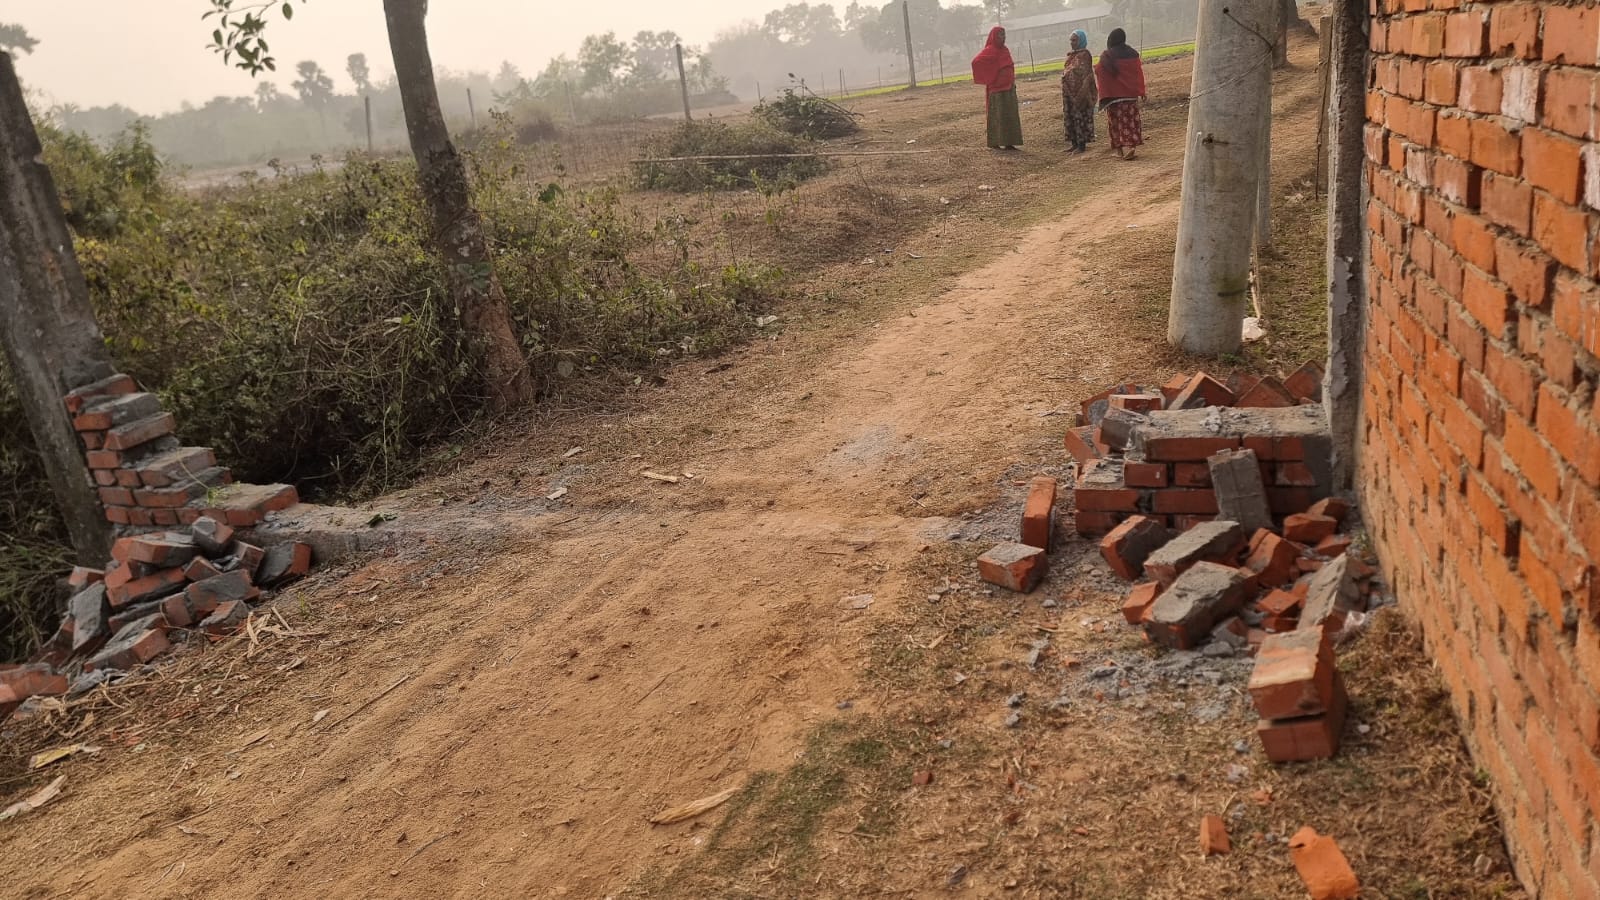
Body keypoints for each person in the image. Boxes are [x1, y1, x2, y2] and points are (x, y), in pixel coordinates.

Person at [1095, 27, 1147, 160]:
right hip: (1130, 96)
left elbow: (1099, 70)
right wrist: (1141, 91)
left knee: (1115, 124)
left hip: (1114, 97)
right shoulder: (1133, 53)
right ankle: (1131, 147)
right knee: (1129, 122)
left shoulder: (1107, 55)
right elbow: (1137, 73)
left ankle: (1119, 151)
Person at [972, 26, 1022, 151]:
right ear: (994, 37)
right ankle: (995, 143)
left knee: (1009, 116)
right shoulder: (990, 50)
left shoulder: (1005, 50)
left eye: (1004, 35)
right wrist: (992, 75)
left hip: (1009, 88)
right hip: (997, 91)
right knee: (998, 117)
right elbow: (976, 62)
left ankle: (1009, 142)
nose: (1003, 38)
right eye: (1000, 35)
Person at [1060, 29, 1097, 153]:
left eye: (1074, 40)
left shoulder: (1085, 55)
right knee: (1070, 117)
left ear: (1081, 41)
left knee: (1079, 117)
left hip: (1081, 93)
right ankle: (1074, 143)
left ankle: (1081, 146)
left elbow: (1084, 73)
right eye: (1071, 40)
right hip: (1069, 93)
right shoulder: (1071, 56)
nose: (1072, 43)